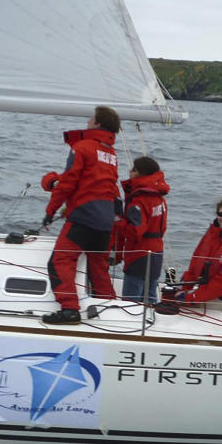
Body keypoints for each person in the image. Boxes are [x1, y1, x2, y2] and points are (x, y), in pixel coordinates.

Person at [40, 106, 121, 324]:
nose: (87, 121)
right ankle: (111, 309)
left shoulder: (82, 147)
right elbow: (111, 188)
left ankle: (70, 310)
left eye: (91, 118)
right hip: (105, 219)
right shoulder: (111, 153)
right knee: (98, 266)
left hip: (84, 216)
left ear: (97, 123)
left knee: (60, 261)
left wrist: (50, 212)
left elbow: (68, 182)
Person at [175, 197, 222, 319]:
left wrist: (192, 297)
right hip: (207, 294)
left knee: (182, 313)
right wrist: (182, 289)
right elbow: (194, 265)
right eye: (221, 214)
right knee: (171, 301)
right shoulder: (211, 234)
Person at [112, 156, 169, 303]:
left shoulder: (139, 200)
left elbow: (135, 231)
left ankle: (130, 324)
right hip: (157, 253)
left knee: (130, 301)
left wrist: (116, 220)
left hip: (139, 255)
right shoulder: (159, 198)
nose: (130, 171)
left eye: (134, 169)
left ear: (141, 173)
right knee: (150, 297)